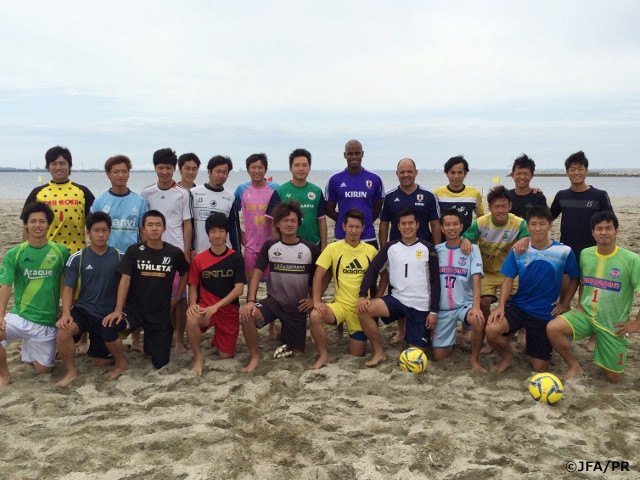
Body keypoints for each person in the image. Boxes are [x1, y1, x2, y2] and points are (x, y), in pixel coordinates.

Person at [547, 211, 640, 383]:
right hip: (586, 315)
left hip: (612, 324)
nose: (604, 232)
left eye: (608, 228)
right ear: (593, 232)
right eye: (599, 229)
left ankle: (606, 348)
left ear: (616, 231)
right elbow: (584, 282)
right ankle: (574, 366)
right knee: (553, 328)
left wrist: (636, 323)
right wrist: (581, 303)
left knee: (614, 378)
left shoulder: (632, 259)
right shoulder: (585, 254)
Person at [485, 206, 579, 373]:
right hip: (519, 306)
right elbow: (507, 280)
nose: (537, 228)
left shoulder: (564, 251)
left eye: (542, 224)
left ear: (550, 225)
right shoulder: (519, 250)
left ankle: (536, 346)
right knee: (492, 330)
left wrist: (565, 302)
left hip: (544, 313)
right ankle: (508, 358)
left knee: (539, 367)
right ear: (527, 227)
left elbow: (574, 277)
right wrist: (500, 307)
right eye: (533, 224)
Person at [101, 210, 190, 379]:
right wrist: (118, 310)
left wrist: (178, 297)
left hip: (160, 314)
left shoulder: (173, 252)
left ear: (164, 229)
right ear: (143, 229)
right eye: (150, 225)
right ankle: (122, 363)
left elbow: (185, 271)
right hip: (134, 312)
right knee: (108, 327)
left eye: (158, 225)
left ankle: (151, 343)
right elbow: (125, 280)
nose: (154, 229)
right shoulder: (134, 251)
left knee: (160, 362)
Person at [239, 201, 319, 372]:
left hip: (298, 307)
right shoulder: (270, 246)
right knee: (247, 316)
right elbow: (257, 273)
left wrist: (314, 299)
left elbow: (322, 275)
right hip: (274, 303)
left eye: (293, 220)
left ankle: (285, 330)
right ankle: (255, 357)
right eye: (285, 220)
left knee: (296, 351)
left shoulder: (310, 249)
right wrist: (250, 300)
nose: (289, 224)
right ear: (277, 223)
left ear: (299, 223)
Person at [357, 207, 440, 367]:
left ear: (417, 225)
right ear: (398, 226)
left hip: (420, 306)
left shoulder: (428, 248)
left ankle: (413, 335)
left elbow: (435, 281)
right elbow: (373, 269)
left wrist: (434, 311)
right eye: (403, 223)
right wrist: (362, 295)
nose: (407, 227)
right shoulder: (390, 247)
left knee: (416, 354)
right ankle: (379, 352)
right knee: (364, 310)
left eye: (410, 223)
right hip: (397, 300)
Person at [0, 202, 70, 386]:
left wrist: (66, 307)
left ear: (48, 224)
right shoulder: (15, 253)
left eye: (42, 221)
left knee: (44, 371)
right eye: (33, 221)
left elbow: (68, 284)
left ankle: (30, 348)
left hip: (46, 321)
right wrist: (0, 316)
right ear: (26, 225)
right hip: (20, 316)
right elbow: (5, 286)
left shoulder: (61, 252)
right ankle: (5, 375)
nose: (37, 225)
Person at [55, 212, 122, 387]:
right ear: (88, 232)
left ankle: (98, 348)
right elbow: (68, 288)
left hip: (108, 314)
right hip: (85, 310)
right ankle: (71, 372)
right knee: (64, 330)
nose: (100, 235)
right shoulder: (78, 257)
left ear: (110, 232)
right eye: (96, 230)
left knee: (102, 363)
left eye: (104, 230)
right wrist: (66, 313)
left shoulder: (119, 256)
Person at [379, 158, 441, 344]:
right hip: (398, 254)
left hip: (422, 254)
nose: (406, 175)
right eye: (402, 172)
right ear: (397, 174)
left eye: (409, 171)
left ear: (416, 172)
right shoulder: (390, 197)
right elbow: (383, 224)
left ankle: (423, 325)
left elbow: (435, 224)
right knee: (398, 289)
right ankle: (401, 330)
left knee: (424, 289)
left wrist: (436, 250)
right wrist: (384, 251)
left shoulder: (428, 195)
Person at [308, 208, 377, 369]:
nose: (353, 231)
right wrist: (316, 301)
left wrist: (377, 297)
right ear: (344, 227)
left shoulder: (371, 251)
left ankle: (351, 334)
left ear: (363, 228)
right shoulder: (333, 248)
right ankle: (323, 355)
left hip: (360, 309)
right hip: (340, 305)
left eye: (357, 227)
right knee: (315, 315)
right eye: (350, 226)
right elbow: (318, 275)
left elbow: (385, 274)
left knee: (357, 353)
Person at [142, 148, 193, 354]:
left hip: (176, 251)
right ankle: (158, 334)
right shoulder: (147, 193)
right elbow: (143, 224)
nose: (164, 171)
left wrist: (186, 250)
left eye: (168, 168)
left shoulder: (183, 193)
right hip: (152, 252)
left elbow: (187, 223)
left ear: (174, 169)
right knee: (153, 296)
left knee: (179, 298)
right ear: (155, 168)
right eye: (160, 167)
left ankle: (179, 339)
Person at [461, 185, 530, 327]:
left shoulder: (519, 223)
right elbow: (465, 237)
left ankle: (519, 330)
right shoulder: (480, 223)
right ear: (490, 207)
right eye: (496, 206)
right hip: (487, 271)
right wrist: (466, 240)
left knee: (517, 301)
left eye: (504, 206)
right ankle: (487, 328)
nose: (500, 210)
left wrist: (526, 239)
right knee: (483, 303)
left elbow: (532, 236)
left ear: (510, 206)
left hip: (510, 272)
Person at [186, 213, 245, 376]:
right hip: (206, 309)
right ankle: (199, 358)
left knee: (226, 356)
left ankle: (218, 338)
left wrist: (216, 306)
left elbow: (239, 289)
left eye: (221, 231)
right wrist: (192, 305)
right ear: (207, 234)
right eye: (213, 231)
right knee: (191, 319)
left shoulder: (236, 257)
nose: (217, 235)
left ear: (226, 233)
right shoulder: (199, 259)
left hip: (228, 311)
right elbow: (193, 285)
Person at [432, 208, 486, 371]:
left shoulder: (472, 249)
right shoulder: (437, 250)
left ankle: (474, 359)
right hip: (443, 309)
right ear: (442, 228)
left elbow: (476, 279)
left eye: (455, 224)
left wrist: (475, 306)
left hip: (464, 304)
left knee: (477, 319)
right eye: (447, 225)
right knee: (438, 356)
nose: (451, 228)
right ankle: (455, 339)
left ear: (461, 226)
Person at [23, 146, 95, 253]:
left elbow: (95, 225)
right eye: (53, 164)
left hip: (77, 253)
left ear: (69, 166)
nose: (58, 167)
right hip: (46, 253)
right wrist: (25, 252)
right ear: (48, 167)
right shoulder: (37, 193)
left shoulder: (82, 192)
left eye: (62, 163)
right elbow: (26, 227)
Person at [550, 151, 613, 259]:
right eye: (572, 169)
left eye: (580, 169)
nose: (576, 173)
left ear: (586, 171)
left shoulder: (600, 195)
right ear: (567, 172)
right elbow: (548, 217)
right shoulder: (562, 195)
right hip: (567, 250)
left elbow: (611, 223)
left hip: (593, 251)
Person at [325, 139, 384, 248]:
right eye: (350, 154)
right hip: (342, 237)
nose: (354, 157)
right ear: (345, 155)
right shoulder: (334, 179)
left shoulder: (375, 179)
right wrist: (344, 221)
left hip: (368, 237)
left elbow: (378, 208)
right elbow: (329, 209)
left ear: (362, 154)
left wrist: (364, 222)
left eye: (357, 153)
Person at [266, 148, 327, 250]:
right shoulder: (280, 191)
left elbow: (321, 220)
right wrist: (277, 246)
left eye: (304, 165)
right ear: (290, 168)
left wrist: (324, 247)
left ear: (309, 168)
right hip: (287, 246)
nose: (301, 168)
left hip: (314, 245)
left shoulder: (316, 191)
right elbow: (273, 222)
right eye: (297, 165)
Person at [234, 153, 279, 281]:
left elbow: (282, 215)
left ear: (265, 169)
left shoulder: (275, 188)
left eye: (260, 167)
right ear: (248, 169)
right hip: (250, 246)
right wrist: (240, 232)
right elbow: (232, 213)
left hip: (272, 245)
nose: (257, 171)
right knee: (251, 283)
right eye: (253, 167)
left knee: (273, 282)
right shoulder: (242, 189)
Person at [91, 155, 148, 253]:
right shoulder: (99, 201)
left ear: (129, 174)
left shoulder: (140, 201)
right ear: (108, 174)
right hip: (107, 254)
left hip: (132, 255)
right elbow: (95, 232)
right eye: (116, 172)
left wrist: (146, 253)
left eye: (124, 171)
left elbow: (143, 231)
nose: (121, 175)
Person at [191, 155, 241, 254]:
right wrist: (190, 248)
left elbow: (233, 228)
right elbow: (189, 224)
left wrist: (237, 252)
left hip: (223, 254)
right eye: (218, 171)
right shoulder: (193, 193)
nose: (221, 175)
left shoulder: (231, 198)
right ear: (209, 172)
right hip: (199, 253)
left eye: (225, 173)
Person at [433, 155, 484, 234]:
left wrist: (473, 235)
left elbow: (480, 216)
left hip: (466, 242)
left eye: (459, 172)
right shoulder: (437, 194)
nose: (456, 176)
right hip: (443, 242)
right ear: (447, 173)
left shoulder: (474, 194)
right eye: (452, 172)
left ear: (465, 173)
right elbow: (433, 220)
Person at [506, 153, 547, 219]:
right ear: (512, 175)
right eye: (518, 173)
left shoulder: (538, 198)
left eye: (526, 174)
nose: (522, 177)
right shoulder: (506, 196)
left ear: (532, 175)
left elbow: (542, 220)